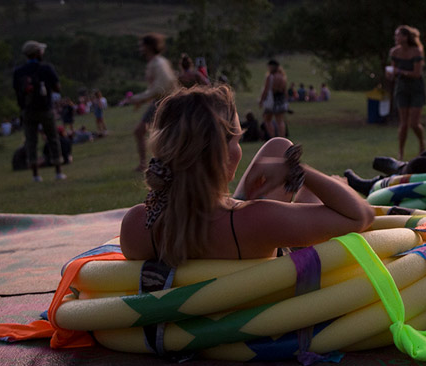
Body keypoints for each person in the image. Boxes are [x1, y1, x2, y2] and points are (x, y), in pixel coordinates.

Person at [119, 85, 374, 266]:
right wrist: (300, 171)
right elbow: (360, 215)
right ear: (222, 153)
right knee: (316, 186)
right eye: (238, 140)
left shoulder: (136, 224)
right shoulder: (257, 218)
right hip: (251, 241)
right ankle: (332, 185)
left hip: (225, 232)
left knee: (279, 146)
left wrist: (238, 203)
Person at [12, 40, 66, 181]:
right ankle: (58, 171)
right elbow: (57, 88)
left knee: (31, 141)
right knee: (53, 138)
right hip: (45, 109)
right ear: (37, 53)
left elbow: (17, 90)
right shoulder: (46, 68)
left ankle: (36, 175)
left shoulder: (18, 72)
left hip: (27, 111)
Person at [125, 33, 179, 172]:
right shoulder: (158, 62)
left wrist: (137, 98)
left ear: (148, 46)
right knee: (161, 133)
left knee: (142, 131)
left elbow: (160, 87)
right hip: (162, 100)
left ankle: (147, 164)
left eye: (142, 45)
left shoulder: (158, 63)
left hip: (163, 101)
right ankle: (155, 163)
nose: (140, 48)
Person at [388, 25, 426, 161]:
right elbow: (393, 71)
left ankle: (422, 142)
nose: (396, 38)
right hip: (402, 89)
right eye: (396, 35)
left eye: (399, 35)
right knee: (403, 123)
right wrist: (391, 75)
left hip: (416, 89)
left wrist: (399, 72)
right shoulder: (394, 52)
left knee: (414, 123)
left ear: (406, 37)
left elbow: (417, 74)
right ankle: (400, 153)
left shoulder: (416, 52)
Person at [259, 59, 290, 139]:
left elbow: (266, 90)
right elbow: (285, 91)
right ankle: (282, 137)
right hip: (281, 99)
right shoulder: (282, 76)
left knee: (267, 119)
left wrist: (262, 100)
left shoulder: (270, 77)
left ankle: (272, 137)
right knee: (280, 120)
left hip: (272, 100)